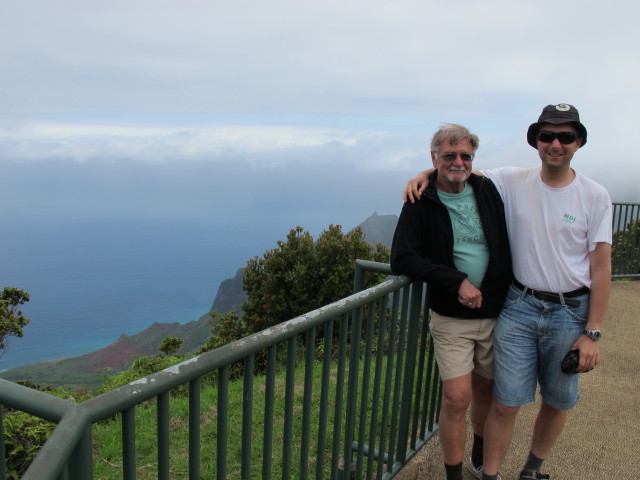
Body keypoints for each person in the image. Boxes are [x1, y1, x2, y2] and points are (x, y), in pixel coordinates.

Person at [404, 104, 612, 480]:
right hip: (518, 305)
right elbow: (457, 169)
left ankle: (531, 469)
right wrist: (426, 172)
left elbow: (602, 265)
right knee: (505, 398)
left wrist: (592, 331)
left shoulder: (595, 196)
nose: (555, 143)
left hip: (567, 311)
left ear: (578, 142)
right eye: (547, 135)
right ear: (536, 141)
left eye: (565, 137)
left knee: (557, 399)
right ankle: (489, 474)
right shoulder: (513, 180)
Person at [391, 123, 512, 480]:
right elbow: (403, 259)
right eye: (448, 156)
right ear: (434, 158)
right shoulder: (421, 201)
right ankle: (454, 474)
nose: (458, 161)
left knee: (487, 390)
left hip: (496, 311)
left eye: (465, 156)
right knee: (457, 397)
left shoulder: (486, 188)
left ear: (473, 159)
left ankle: (478, 454)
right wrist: (456, 280)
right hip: (451, 317)